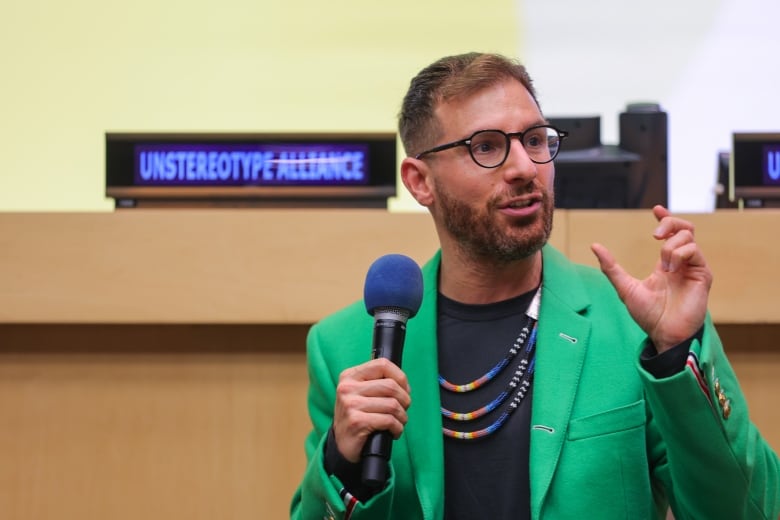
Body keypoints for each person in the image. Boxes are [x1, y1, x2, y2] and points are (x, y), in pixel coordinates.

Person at [290, 52, 780, 520]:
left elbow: (746, 512)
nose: (525, 167)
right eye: (485, 146)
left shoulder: (635, 328)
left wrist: (677, 357)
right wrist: (343, 462)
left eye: (536, 139)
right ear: (421, 181)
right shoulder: (346, 348)